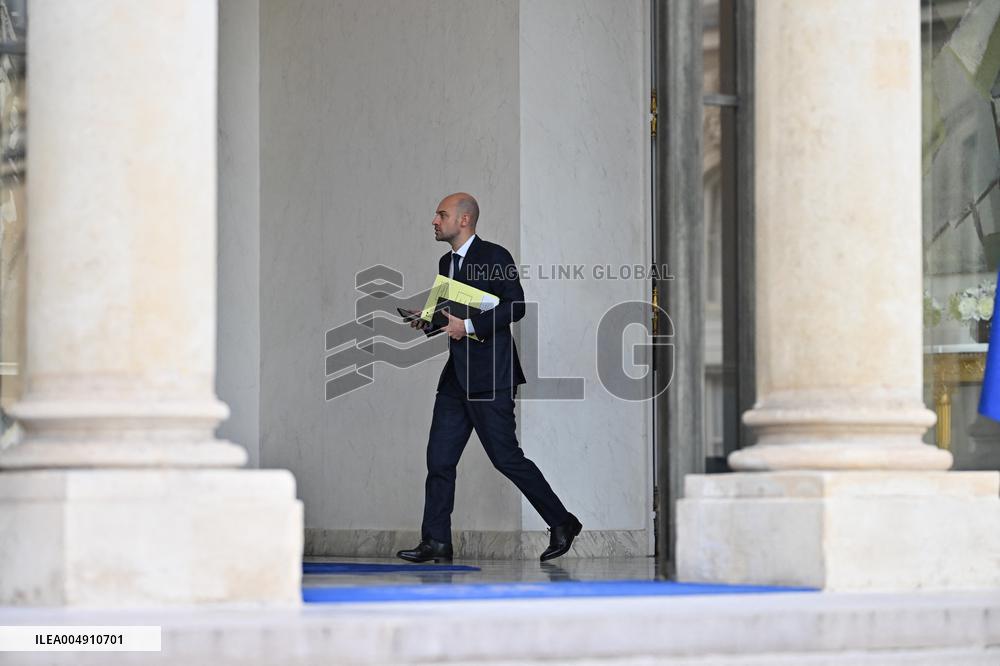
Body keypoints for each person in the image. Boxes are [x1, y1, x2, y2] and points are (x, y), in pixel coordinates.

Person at [396, 192, 582, 563]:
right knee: (439, 459)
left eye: (441, 214)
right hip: (456, 377)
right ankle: (436, 542)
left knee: (505, 457)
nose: (434, 220)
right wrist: (428, 320)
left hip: (490, 376)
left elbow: (516, 306)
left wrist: (465, 326)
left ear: (464, 220)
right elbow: (450, 312)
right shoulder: (446, 261)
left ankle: (562, 522)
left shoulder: (494, 256)